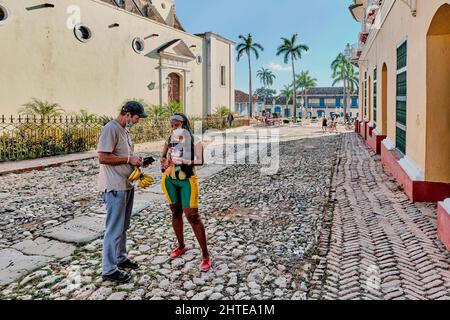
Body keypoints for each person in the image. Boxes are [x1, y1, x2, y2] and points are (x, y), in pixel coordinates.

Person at [97, 101, 149, 283]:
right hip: (114, 186)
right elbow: (103, 157)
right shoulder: (110, 129)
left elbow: (125, 157)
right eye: (136, 118)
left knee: (123, 225)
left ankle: (120, 258)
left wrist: (136, 161)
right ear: (127, 114)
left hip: (127, 184)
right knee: (114, 227)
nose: (137, 121)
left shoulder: (124, 131)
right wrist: (128, 158)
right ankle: (109, 269)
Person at [160, 113, 212, 271]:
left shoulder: (195, 140)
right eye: (172, 126)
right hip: (169, 180)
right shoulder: (170, 139)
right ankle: (181, 246)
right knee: (175, 213)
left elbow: (201, 161)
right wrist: (164, 163)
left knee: (193, 216)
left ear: (184, 124)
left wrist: (185, 161)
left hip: (187, 181)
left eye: (176, 125)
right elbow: (163, 157)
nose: (174, 128)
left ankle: (205, 255)